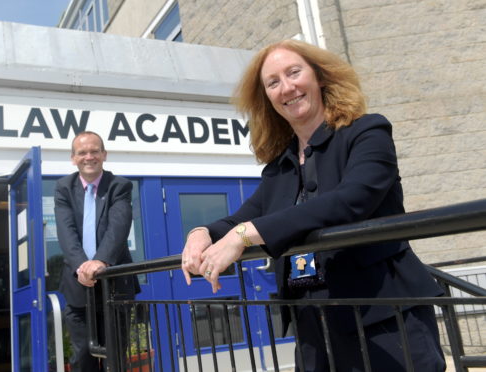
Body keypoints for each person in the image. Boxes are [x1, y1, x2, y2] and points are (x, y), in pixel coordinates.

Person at [181, 39, 446, 372]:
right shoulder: (280, 166)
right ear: (267, 99)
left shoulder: (367, 131)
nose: (287, 87)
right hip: (313, 326)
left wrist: (244, 236)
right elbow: (244, 216)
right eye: (273, 82)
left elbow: (352, 200)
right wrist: (201, 231)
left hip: (381, 314)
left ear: (319, 77)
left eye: (294, 73)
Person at [55, 131, 140, 372]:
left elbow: (119, 226)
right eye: (82, 152)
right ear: (73, 158)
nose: (89, 156)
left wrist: (100, 261)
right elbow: (66, 231)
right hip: (78, 285)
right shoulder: (63, 188)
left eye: (94, 151)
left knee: (115, 358)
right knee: (84, 358)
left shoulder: (119, 186)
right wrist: (83, 266)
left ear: (104, 155)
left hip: (116, 286)